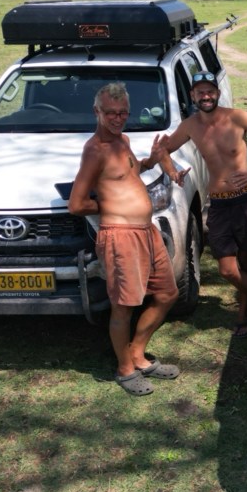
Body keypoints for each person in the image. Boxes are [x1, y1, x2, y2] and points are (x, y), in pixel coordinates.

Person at [69, 82, 183, 396]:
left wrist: (153, 159)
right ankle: (125, 368)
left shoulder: (123, 140)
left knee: (167, 294)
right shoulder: (95, 150)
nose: (118, 118)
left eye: (123, 113)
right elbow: (77, 204)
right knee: (124, 307)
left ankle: (138, 353)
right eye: (111, 113)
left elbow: (128, 173)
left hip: (147, 232)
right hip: (120, 237)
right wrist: (109, 205)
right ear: (97, 112)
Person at [154, 72, 247, 337]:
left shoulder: (238, 117)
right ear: (192, 96)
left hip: (245, 200)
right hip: (220, 205)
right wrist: (172, 172)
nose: (206, 96)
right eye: (200, 92)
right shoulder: (190, 126)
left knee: (245, 260)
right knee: (227, 269)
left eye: (210, 91)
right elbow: (162, 150)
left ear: (217, 93)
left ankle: (242, 313)